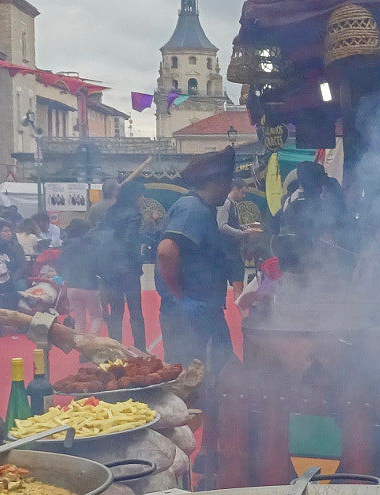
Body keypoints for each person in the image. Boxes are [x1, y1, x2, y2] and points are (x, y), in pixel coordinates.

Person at [156, 147, 244, 373]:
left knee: (217, 368)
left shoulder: (203, 209)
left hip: (204, 310)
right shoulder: (192, 208)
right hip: (187, 315)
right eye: (226, 182)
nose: (228, 189)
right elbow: (166, 251)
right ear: (213, 182)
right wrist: (181, 297)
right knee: (187, 376)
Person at [96, 187, 150, 349]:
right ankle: (140, 348)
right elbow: (130, 241)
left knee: (116, 312)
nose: (143, 199)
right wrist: (139, 259)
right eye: (142, 196)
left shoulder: (110, 213)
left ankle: (115, 347)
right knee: (135, 312)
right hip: (129, 269)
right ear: (135, 197)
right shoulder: (135, 215)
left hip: (110, 268)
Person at [56, 219, 107, 332]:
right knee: (96, 317)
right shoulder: (92, 246)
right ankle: (91, 342)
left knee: (79, 318)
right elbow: (99, 266)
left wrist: (66, 279)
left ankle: (80, 346)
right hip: (90, 287)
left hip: (72, 287)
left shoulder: (67, 247)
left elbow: (59, 267)